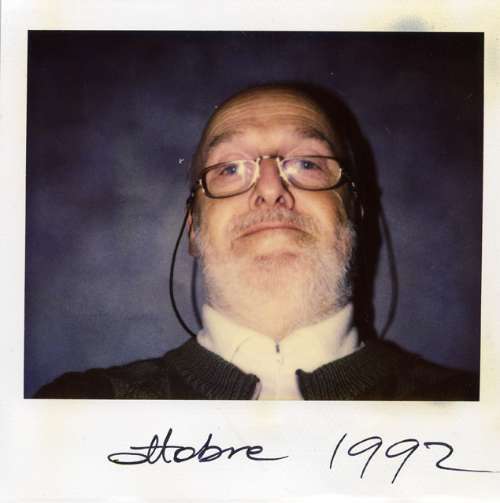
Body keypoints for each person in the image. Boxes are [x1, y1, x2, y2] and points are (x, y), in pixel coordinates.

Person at [35, 84, 478, 400]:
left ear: (355, 214)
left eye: (307, 163)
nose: (269, 188)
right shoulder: (77, 409)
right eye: (229, 169)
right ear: (194, 229)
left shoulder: (469, 409)